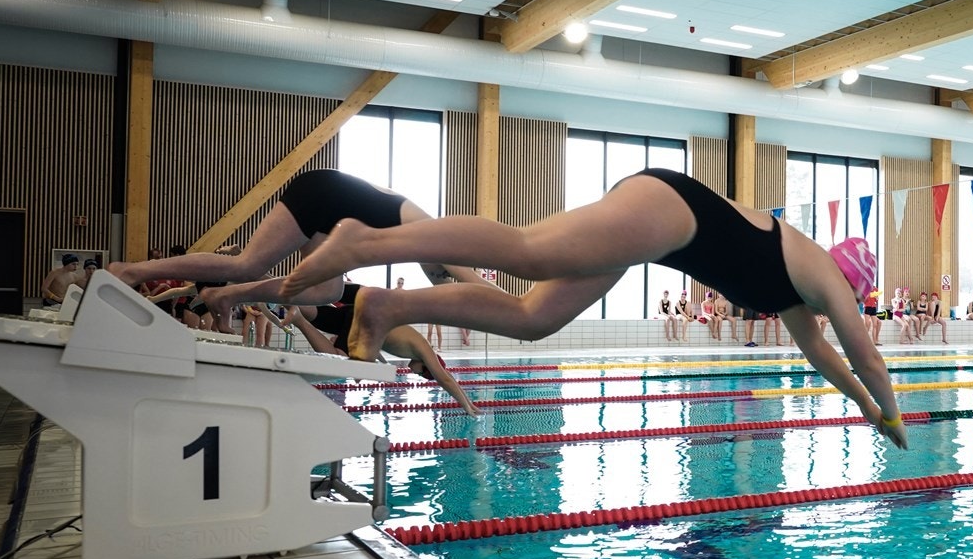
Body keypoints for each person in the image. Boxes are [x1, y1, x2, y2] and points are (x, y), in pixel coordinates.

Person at [279, 167, 907, 447]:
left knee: (533, 319)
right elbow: (865, 355)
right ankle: (369, 241)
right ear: (854, 282)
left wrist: (863, 409)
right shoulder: (824, 275)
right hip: (670, 209)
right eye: (857, 299)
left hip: (665, 232)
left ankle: (387, 305)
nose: (853, 307)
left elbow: (823, 355)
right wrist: (893, 410)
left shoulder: (798, 293)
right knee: (527, 251)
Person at [106, 169, 487, 329]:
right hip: (325, 195)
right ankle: (132, 271)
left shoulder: (433, 254)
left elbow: (455, 295)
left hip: (338, 215)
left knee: (327, 291)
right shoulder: (441, 238)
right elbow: (482, 292)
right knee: (247, 263)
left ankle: (227, 295)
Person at [281, 285, 478, 416]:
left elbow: (377, 342)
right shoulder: (424, 349)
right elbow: (445, 378)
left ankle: (264, 287)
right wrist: (467, 405)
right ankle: (298, 320)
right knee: (339, 363)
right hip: (363, 317)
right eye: (421, 373)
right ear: (426, 367)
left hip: (359, 312)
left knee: (313, 312)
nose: (414, 373)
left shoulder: (410, 348)